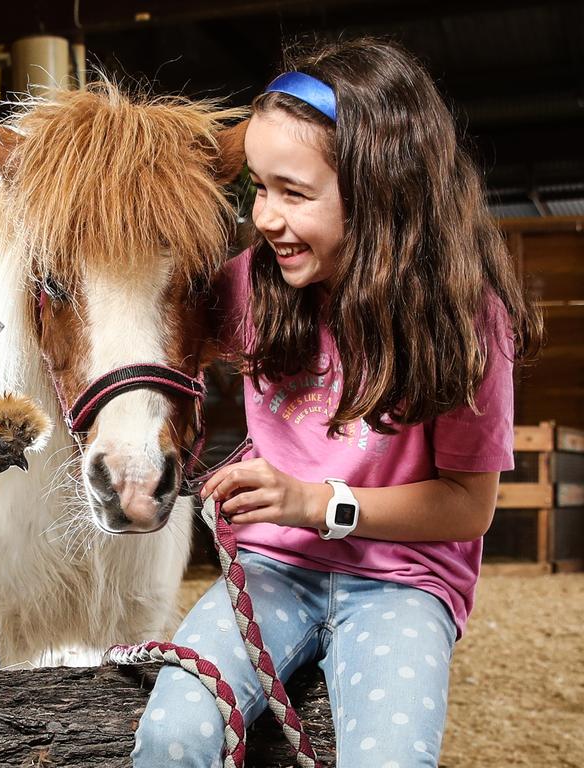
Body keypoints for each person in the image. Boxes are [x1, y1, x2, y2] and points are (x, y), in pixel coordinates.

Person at [133, 38, 541, 767]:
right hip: (271, 567)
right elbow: (141, 315)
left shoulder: (467, 319)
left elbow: (468, 507)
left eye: (292, 192)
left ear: (380, 186)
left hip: (402, 582)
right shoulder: (253, 286)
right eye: (257, 188)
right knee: (173, 732)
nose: (264, 216)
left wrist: (317, 503)